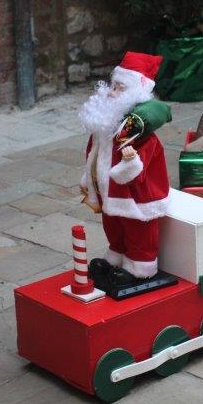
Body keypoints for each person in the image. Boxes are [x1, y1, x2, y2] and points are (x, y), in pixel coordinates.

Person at [77, 51, 171, 286]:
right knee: (113, 225)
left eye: (120, 88)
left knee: (137, 229)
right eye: (113, 86)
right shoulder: (105, 127)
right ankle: (117, 254)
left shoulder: (139, 135)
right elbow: (94, 154)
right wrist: (89, 178)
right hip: (110, 192)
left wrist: (130, 162)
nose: (111, 92)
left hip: (135, 196)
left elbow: (141, 166)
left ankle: (141, 267)